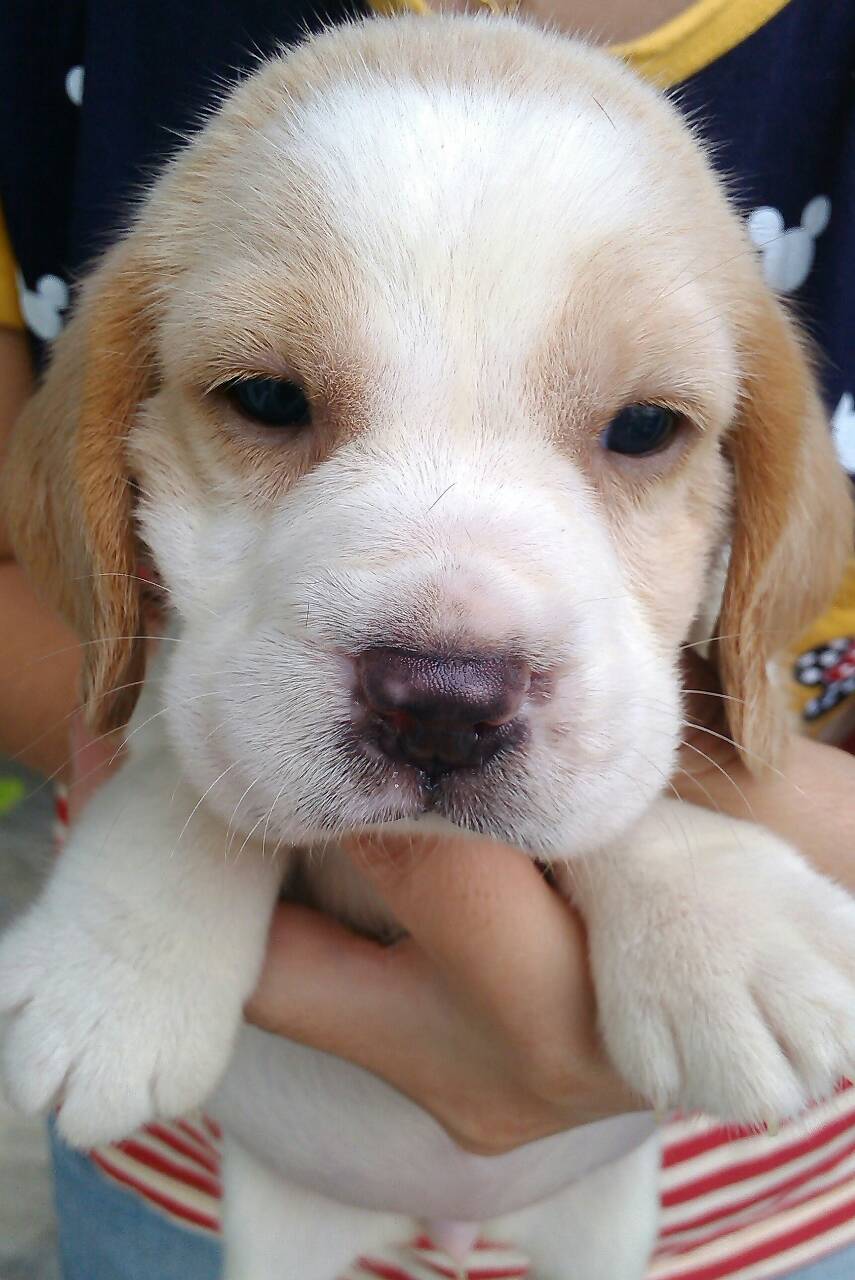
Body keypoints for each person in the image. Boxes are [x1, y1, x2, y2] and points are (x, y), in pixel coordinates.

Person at [1, 1, 855, 1277]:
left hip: (755, 1184)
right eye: (270, 399)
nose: (451, 662)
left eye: (637, 430)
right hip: (192, 1158)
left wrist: (685, 848)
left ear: (758, 468)